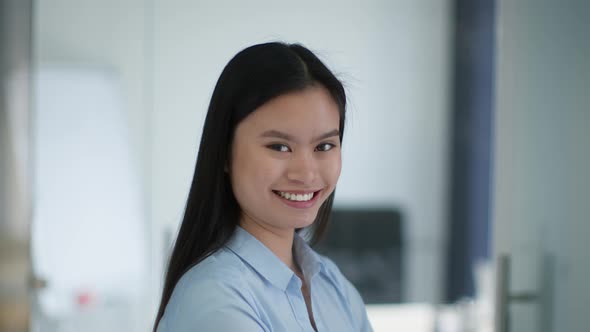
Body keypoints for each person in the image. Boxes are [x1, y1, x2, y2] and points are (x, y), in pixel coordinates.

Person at [154, 42, 373, 332]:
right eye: (280, 146)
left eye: (324, 146)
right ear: (224, 152)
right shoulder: (216, 299)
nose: (306, 173)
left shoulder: (332, 285)